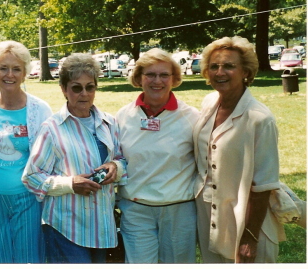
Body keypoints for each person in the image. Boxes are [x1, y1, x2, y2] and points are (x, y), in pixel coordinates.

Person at [22, 53, 127, 263]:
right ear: (64, 89)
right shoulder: (52, 129)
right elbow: (31, 177)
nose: (84, 94)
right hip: (66, 227)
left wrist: (115, 166)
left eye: (90, 87)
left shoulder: (110, 123)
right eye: (76, 87)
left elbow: (122, 159)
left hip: (101, 227)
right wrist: (70, 183)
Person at [193, 36, 286, 263]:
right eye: (214, 66)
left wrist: (250, 237)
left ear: (246, 71)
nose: (220, 72)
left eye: (229, 66)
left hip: (246, 220)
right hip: (209, 218)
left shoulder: (260, 119)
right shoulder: (209, 103)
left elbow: (264, 184)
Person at [115, 48, 199, 263]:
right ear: (139, 78)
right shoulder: (123, 117)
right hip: (136, 210)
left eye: (164, 75)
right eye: (150, 74)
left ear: (174, 79)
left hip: (179, 210)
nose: (157, 81)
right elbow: (117, 159)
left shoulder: (192, 117)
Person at [0, 40, 52, 263]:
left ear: (25, 73)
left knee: (28, 259)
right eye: (3, 68)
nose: (10, 74)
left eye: (16, 69)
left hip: (27, 198)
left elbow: (50, 155)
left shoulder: (40, 108)